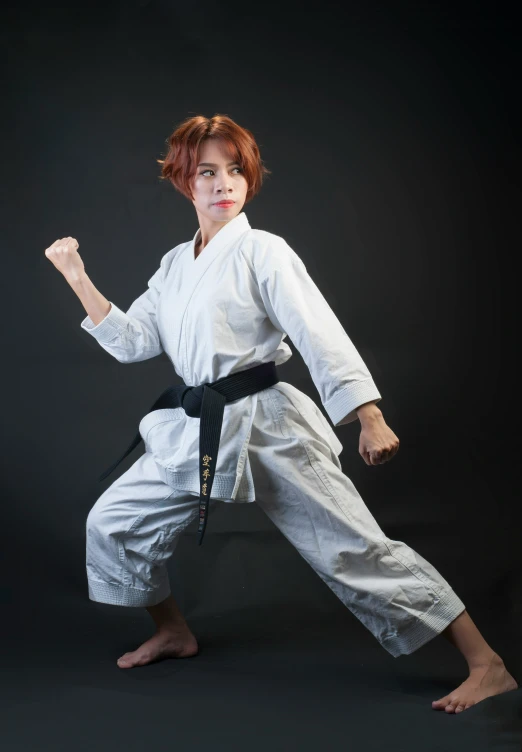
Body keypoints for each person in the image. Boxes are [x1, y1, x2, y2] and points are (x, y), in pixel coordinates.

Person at [44, 114, 517, 713]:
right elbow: (134, 340)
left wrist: (367, 415)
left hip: (268, 427)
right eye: (208, 172)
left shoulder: (263, 250)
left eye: (235, 170)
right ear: (184, 182)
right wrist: (78, 277)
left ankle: (487, 664)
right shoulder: (174, 264)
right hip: (198, 429)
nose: (224, 183)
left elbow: (317, 331)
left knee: (355, 551)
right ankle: (172, 630)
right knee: (112, 522)